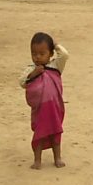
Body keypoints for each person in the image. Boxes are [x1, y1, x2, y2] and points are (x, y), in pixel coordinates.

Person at [20, 32, 69, 169]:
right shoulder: (30, 69)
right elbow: (22, 82)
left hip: (54, 108)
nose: (38, 57)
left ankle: (57, 158)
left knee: (55, 134)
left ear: (50, 53)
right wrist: (33, 74)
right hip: (40, 110)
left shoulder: (56, 66)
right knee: (39, 135)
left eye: (42, 53)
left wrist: (55, 44)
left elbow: (65, 55)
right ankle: (37, 160)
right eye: (34, 53)